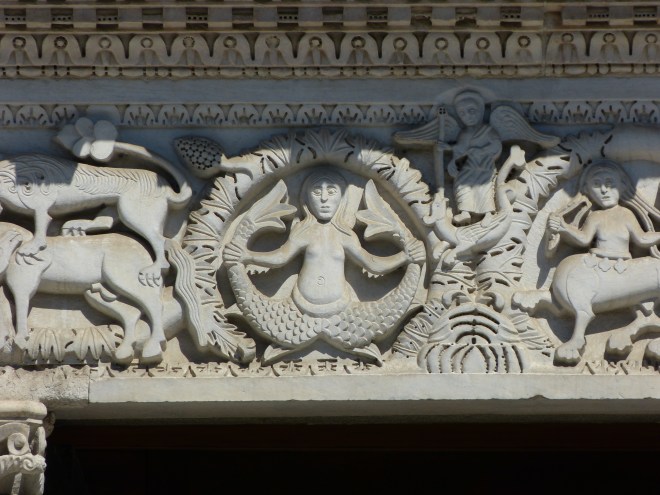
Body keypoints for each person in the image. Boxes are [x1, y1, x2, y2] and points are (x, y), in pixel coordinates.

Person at [224, 169, 424, 316]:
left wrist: (404, 257)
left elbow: (371, 263)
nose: (324, 199)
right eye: (317, 192)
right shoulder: (303, 231)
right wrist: (247, 255)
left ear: (342, 199)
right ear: (306, 198)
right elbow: (281, 257)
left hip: (341, 308)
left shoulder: (345, 235)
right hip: (300, 307)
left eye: (332, 192)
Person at [548, 160, 660, 261]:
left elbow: (642, 238)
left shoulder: (626, 214)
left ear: (623, 186)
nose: (604, 190)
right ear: (587, 190)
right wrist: (564, 227)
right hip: (598, 261)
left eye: (609, 183)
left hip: (623, 262)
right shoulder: (595, 216)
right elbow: (584, 239)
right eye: (596, 184)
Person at [442, 91, 502, 224]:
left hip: (484, 167)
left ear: (480, 111)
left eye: (471, 111)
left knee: (484, 189)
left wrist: (481, 150)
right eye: (462, 113)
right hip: (468, 168)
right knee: (462, 186)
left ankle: (488, 214)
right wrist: (449, 150)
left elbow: (496, 146)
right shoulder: (463, 134)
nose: (467, 116)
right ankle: (465, 212)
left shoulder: (487, 131)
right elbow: (460, 150)